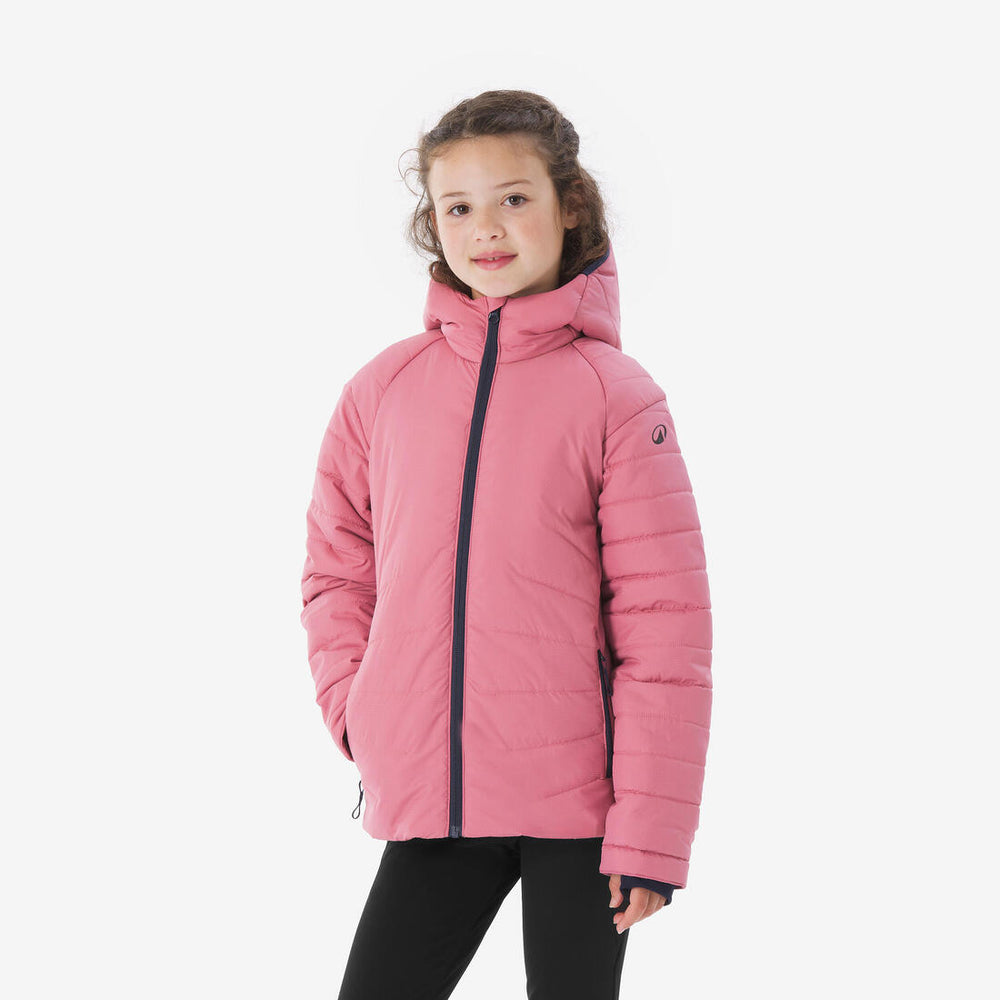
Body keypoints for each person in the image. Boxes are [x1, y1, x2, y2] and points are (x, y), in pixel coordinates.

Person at [299, 89, 713, 1000]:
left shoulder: (616, 396)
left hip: (582, 809)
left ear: (570, 208)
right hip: (431, 797)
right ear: (432, 223)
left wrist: (650, 831)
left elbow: (664, 625)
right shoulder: (381, 391)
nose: (485, 227)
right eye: (457, 207)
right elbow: (337, 569)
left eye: (514, 198)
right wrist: (357, 709)